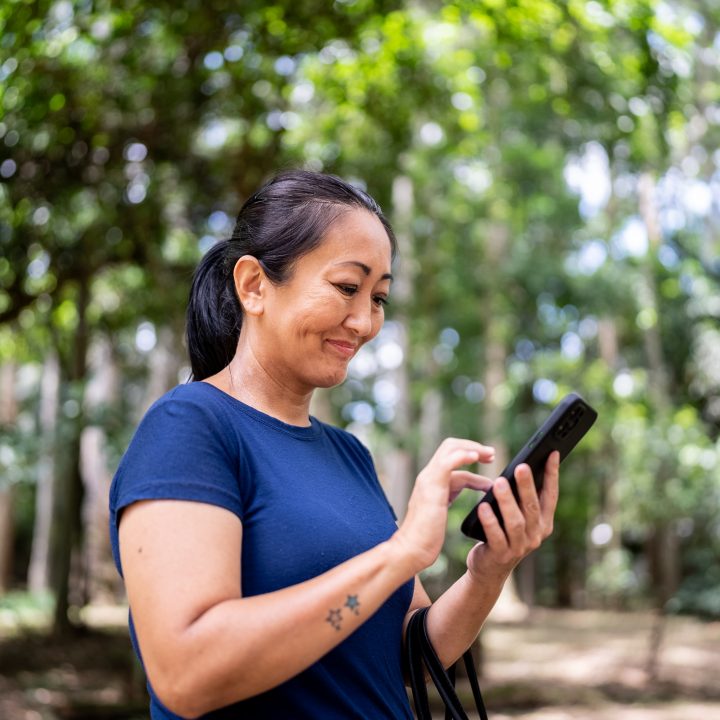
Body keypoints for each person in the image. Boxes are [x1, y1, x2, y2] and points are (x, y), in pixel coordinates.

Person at [109, 170, 559, 720]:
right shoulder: (190, 426)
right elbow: (186, 673)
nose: (366, 321)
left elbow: (410, 659)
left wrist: (489, 570)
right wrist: (399, 555)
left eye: (379, 297)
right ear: (253, 285)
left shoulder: (349, 455)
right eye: (348, 287)